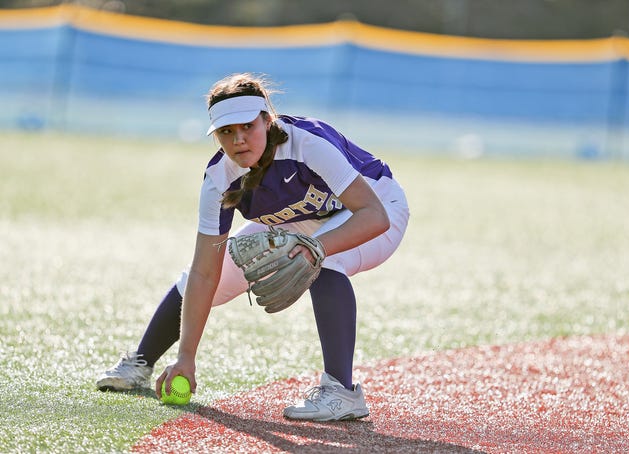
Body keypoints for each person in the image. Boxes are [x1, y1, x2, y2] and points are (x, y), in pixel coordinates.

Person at [96, 73, 409, 421]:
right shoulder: (219, 178)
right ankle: (141, 363)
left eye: (247, 126)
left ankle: (341, 392)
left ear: (267, 119)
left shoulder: (306, 143)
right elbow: (205, 272)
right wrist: (186, 357)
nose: (239, 139)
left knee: (323, 262)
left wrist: (314, 248)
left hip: (376, 207)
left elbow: (374, 216)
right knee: (203, 278)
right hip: (300, 218)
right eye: (226, 131)